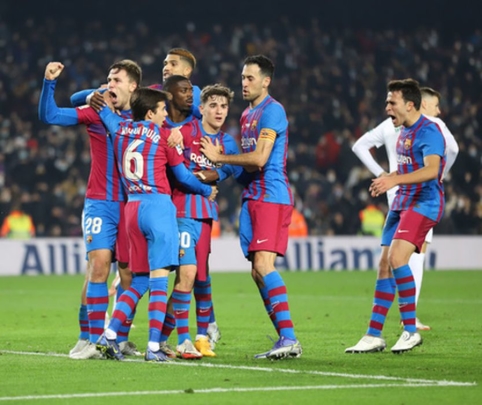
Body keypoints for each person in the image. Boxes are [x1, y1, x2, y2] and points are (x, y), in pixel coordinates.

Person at [94, 87, 217, 362]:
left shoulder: (119, 127)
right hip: (158, 209)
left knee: (139, 281)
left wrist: (101, 93)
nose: (166, 115)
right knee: (159, 280)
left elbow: (89, 100)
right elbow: (183, 176)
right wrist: (206, 190)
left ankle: (109, 334)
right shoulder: (164, 137)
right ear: (150, 113)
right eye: (162, 110)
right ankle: (153, 347)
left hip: (132, 208)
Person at [200, 54, 302, 360]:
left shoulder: (273, 111)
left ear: (266, 81)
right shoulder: (247, 115)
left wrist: (219, 158)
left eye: (250, 78)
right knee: (257, 273)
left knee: (264, 266)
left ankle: (289, 337)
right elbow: (245, 169)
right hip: (252, 196)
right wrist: (214, 176)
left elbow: (259, 159)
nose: (243, 83)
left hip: (271, 195)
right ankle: (285, 338)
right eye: (243, 77)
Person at [38, 60, 140, 359]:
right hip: (99, 202)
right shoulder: (96, 111)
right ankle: (90, 339)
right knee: (98, 266)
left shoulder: (143, 115)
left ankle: (119, 339)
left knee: (129, 275)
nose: (110, 84)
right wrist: (49, 82)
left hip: (132, 204)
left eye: (117, 80)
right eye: (108, 79)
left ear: (133, 86)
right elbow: (50, 115)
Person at [346, 78, 446, 354]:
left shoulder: (430, 131)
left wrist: (394, 180)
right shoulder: (402, 132)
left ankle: (410, 331)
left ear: (410, 105)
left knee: (397, 258)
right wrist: (386, 178)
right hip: (402, 202)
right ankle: (373, 335)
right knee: (384, 265)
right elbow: (406, 169)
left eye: (392, 102)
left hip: (424, 203)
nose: (387, 107)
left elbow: (432, 170)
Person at [160, 79, 243, 359]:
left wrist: (215, 170)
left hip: (206, 214)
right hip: (181, 210)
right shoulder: (184, 132)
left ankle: (194, 338)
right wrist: (200, 177)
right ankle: (178, 338)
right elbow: (172, 167)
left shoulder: (226, 142)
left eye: (224, 106)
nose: (219, 111)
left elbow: (234, 169)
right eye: (213, 105)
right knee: (186, 275)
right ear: (202, 108)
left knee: (201, 276)